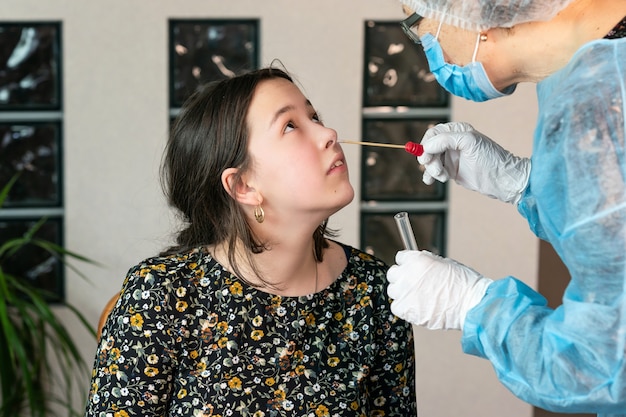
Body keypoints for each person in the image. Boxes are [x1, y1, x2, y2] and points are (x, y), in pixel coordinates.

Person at [84, 66, 417, 417]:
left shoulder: (377, 290)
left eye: (314, 116)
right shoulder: (161, 295)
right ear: (243, 186)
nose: (328, 133)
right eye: (290, 126)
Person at [386, 0, 626, 416]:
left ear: (476, 13)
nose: (428, 49)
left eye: (418, 26)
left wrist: (473, 305)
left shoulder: (599, 110)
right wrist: (523, 184)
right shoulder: (602, 79)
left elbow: (603, 367)